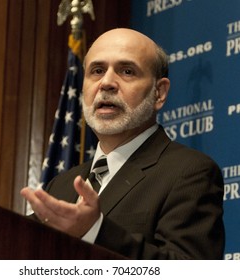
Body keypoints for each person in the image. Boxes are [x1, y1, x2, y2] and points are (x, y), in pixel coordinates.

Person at [21, 28, 225, 259]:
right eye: (97, 71)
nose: (106, 82)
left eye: (127, 71)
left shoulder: (190, 173)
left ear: (159, 93)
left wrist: (96, 230)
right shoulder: (61, 185)